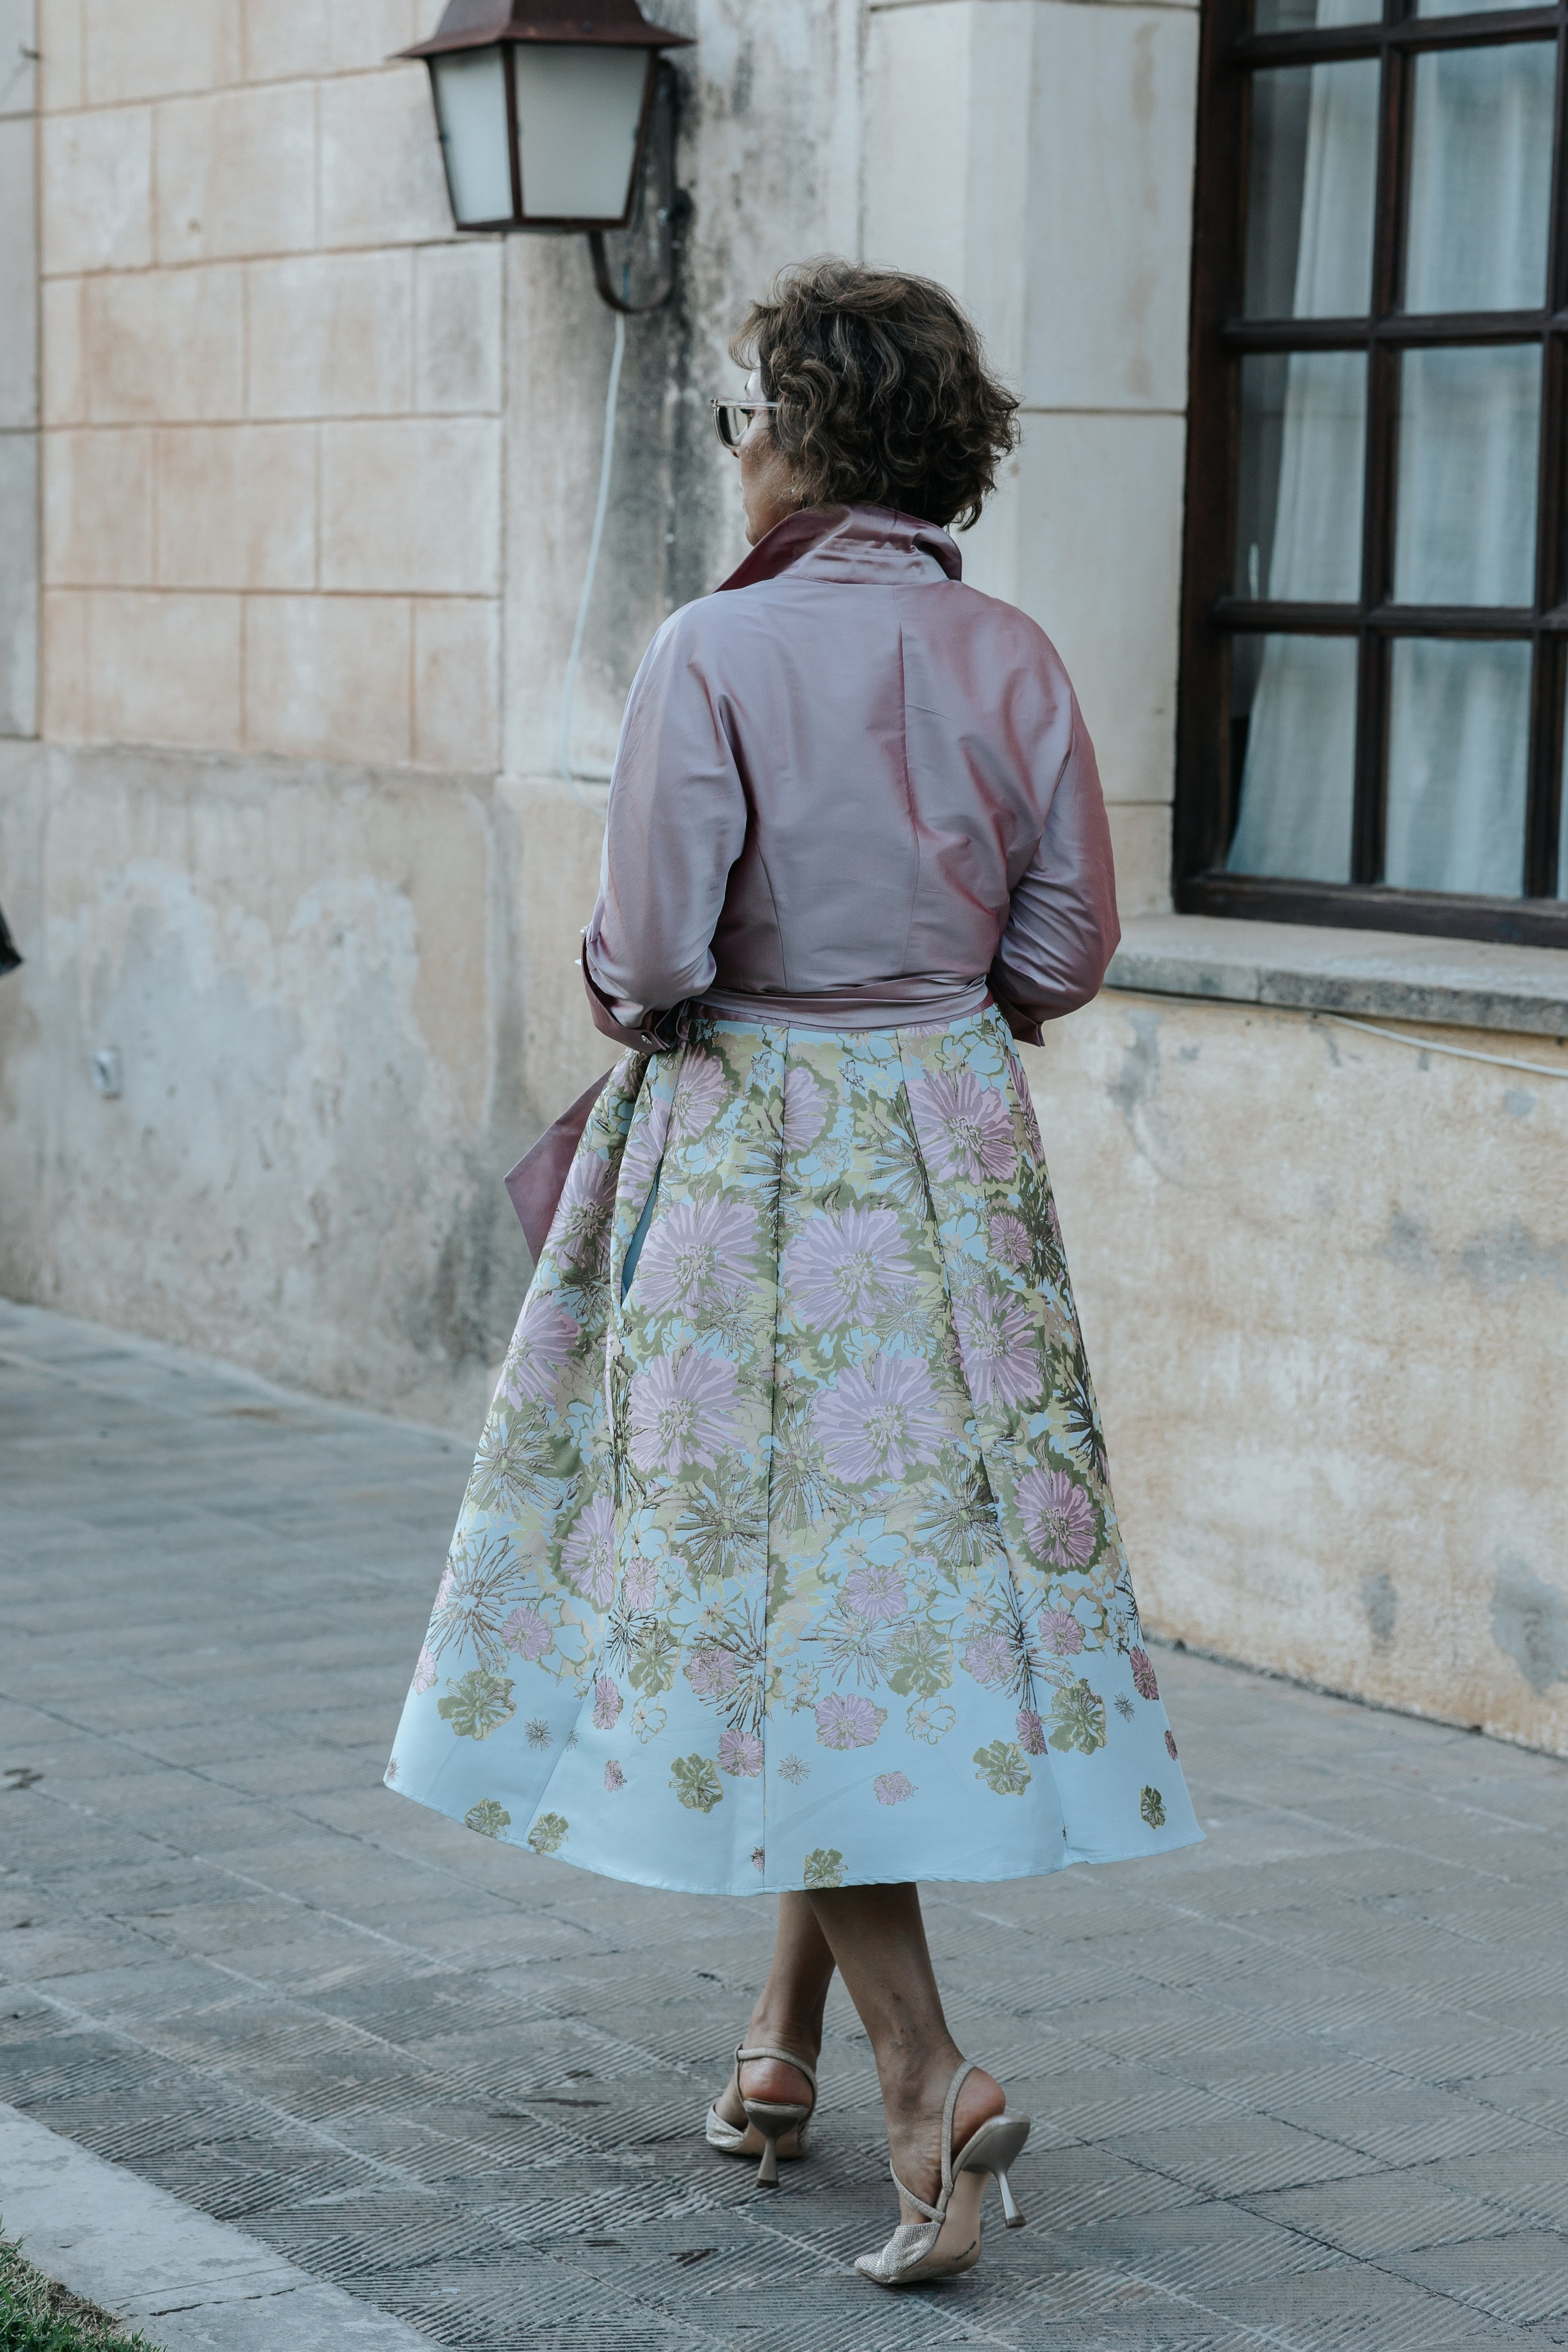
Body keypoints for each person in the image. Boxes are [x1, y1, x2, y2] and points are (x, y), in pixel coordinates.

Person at [386, 258, 1201, 2288]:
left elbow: (651, 959)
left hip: (756, 1152)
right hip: (951, 1144)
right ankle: (781, 2046)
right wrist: (937, 1001)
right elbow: (1065, 947)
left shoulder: (713, 651)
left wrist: (636, 992)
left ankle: (926, 2077)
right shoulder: (1013, 651)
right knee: (862, 1583)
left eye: (749, 409)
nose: (732, 440)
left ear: (811, 435)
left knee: (767, 1594)